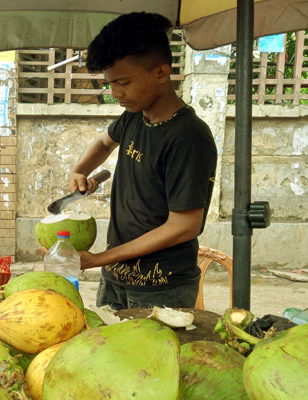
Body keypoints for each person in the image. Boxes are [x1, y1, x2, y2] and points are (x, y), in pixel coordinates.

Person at [68, 12, 217, 310]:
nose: (115, 93)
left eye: (123, 82)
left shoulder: (188, 137)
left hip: (162, 289)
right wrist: (79, 170)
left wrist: (98, 259)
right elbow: (103, 142)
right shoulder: (135, 116)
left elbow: (184, 226)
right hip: (117, 279)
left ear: (161, 73)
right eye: (111, 83)